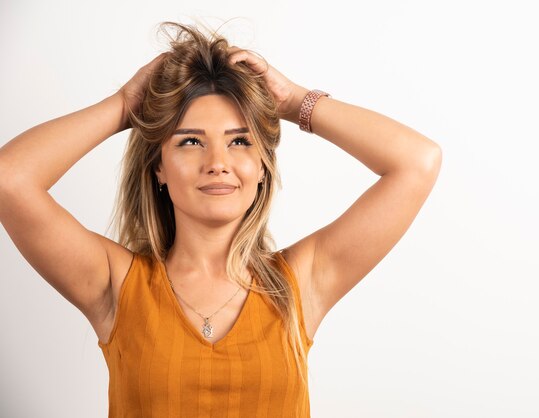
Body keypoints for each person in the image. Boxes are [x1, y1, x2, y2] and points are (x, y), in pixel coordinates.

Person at [0, 21, 442, 417]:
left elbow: (418, 162)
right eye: (190, 142)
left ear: (264, 165)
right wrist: (125, 105)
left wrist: (292, 102)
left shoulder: (301, 282)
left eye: (240, 142)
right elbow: (10, 179)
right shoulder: (115, 283)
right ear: (158, 166)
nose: (217, 162)